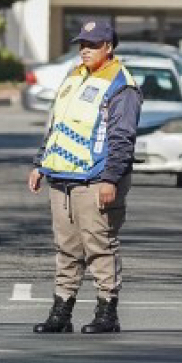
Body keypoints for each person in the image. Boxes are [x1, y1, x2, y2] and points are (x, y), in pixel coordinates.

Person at [28, 19, 141, 334]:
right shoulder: (75, 75)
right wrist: (41, 164)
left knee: (99, 245)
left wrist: (110, 179)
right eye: (82, 44)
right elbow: (57, 125)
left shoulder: (121, 84)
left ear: (109, 47)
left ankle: (107, 311)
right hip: (61, 177)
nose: (85, 50)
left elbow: (122, 138)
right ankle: (61, 312)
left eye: (92, 45)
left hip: (95, 179)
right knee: (66, 247)